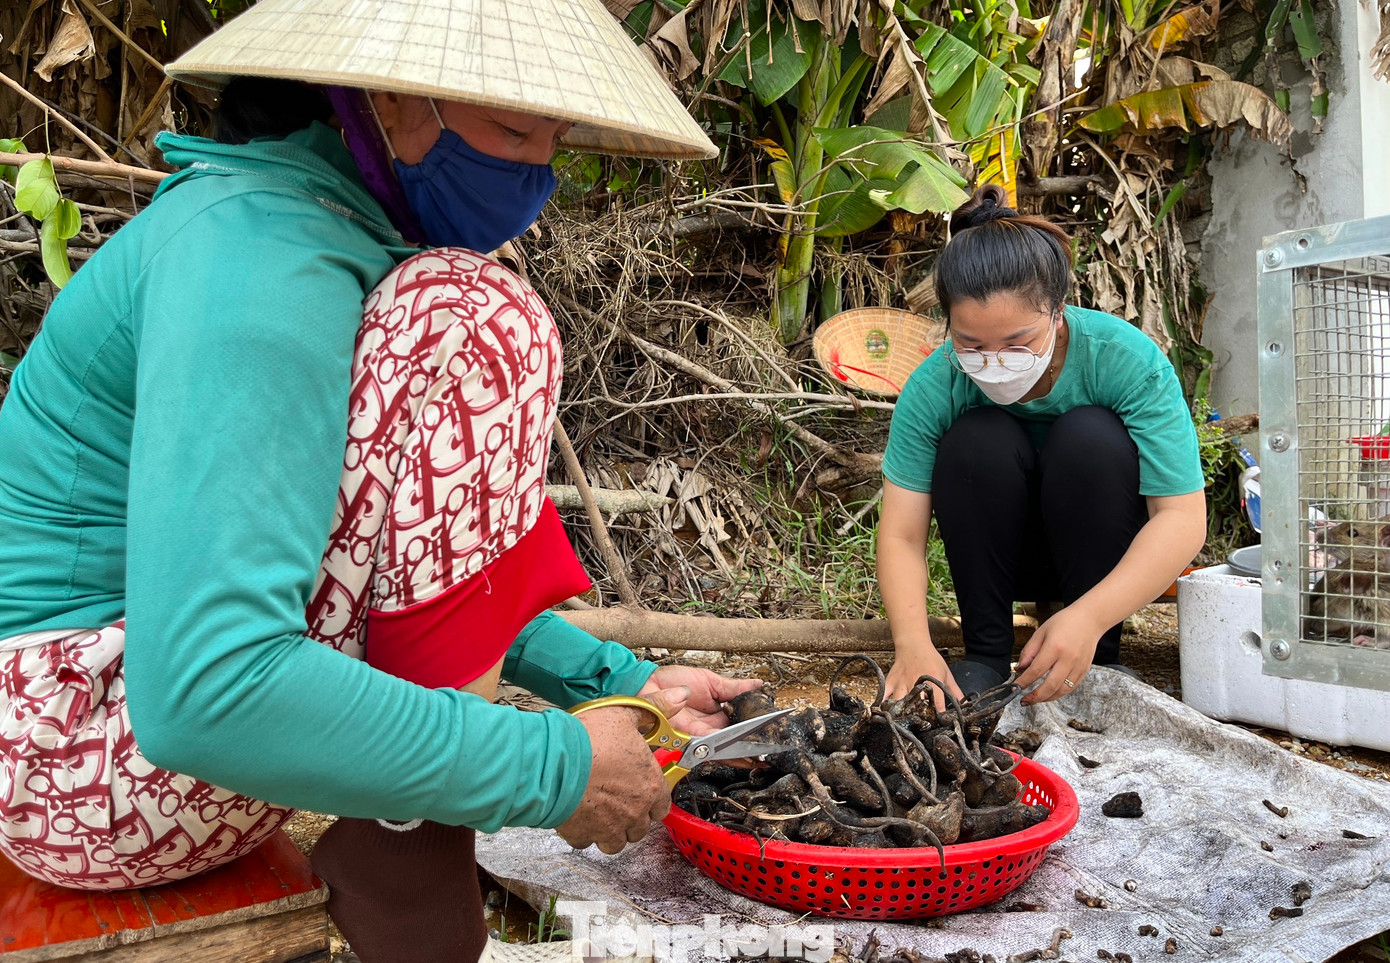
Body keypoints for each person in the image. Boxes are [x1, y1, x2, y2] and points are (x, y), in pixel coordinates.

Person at [0, 2, 758, 961]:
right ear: (389, 95)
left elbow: (372, 566)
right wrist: (552, 767)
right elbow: (207, 690)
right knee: (476, 317)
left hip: (99, 751)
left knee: (453, 303)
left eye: (551, 141)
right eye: (513, 130)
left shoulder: (313, 230)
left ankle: (408, 833)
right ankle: (412, 838)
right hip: (69, 763)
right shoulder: (256, 259)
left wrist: (617, 680)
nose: (534, 173)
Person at [877, 185, 1206, 708]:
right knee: (976, 438)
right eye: (971, 345)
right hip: (999, 558)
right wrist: (911, 644)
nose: (994, 361)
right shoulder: (934, 385)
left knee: (1091, 437)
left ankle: (1097, 655)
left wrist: (1090, 617)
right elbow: (900, 534)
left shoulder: (1124, 360)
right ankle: (985, 653)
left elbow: (1183, 517)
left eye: (1017, 342)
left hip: (1099, 561)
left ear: (1057, 312)